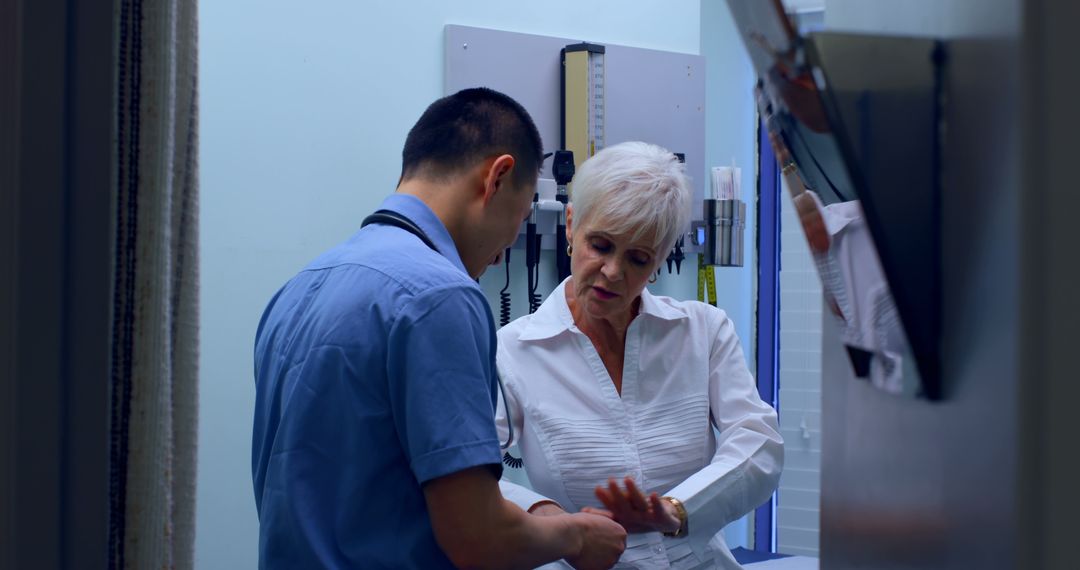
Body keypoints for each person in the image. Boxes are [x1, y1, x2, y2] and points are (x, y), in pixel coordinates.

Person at [252, 88, 626, 569]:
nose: (503, 251)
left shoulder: (301, 286)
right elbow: (479, 538)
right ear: (498, 177)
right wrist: (577, 535)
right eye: (523, 212)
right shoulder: (439, 298)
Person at [494, 141, 784, 569]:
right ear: (570, 227)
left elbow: (759, 443)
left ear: (660, 261)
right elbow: (467, 478)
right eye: (601, 245)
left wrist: (678, 510)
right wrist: (551, 520)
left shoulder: (704, 331)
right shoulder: (513, 350)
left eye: (638, 258)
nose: (613, 272)